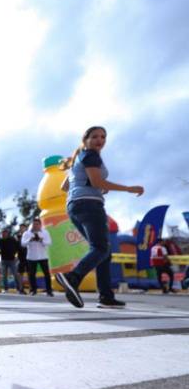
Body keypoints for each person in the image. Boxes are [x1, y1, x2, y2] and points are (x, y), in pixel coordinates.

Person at [58, 126, 144, 309]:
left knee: (103, 252)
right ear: (85, 139)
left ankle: (106, 296)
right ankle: (73, 277)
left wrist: (95, 185)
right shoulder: (90, 155)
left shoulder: (77, 159)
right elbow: (97, 181)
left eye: (103, 137)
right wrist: (129, 188)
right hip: (90, 205)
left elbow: (64, 187)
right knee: (100, 248)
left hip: (74, 206)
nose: (100, 140)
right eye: (95, 136)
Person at [21, 219, 53, 296]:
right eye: (34, 224)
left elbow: (49, 242)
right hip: (31, 256)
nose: (35, 225)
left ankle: (49, 291)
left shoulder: (45, 232)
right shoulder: (26, 233)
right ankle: (33, 290)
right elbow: (23, 244)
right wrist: (30, 239)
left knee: (47, 274)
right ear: (32, 224)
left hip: (43, 256)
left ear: (40, 225)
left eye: (37, 224)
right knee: (32, 274)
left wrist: (42, 240)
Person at [0, 229, 18, 293]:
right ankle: (5, 288)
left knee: (15, 274)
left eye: (5, 233)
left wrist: (15, 254)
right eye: (3, 233)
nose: (4, 234)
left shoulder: (12, 239)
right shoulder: (0, 240)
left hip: (12, 259)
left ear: (7, 233)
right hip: (3, 260)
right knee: (4, 275)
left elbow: (17, 247)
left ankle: (19, 288)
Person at [15, 224, 28, 294]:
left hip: (29, 256)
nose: (22, 229)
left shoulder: (29, 235)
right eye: (21, 228)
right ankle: (21, 288)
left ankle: (32, 289)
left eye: (23, 228)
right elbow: (16, 247)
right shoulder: (17, 236)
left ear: (26, 228)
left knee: (30, 273)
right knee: (20, 273)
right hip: (21, 257)